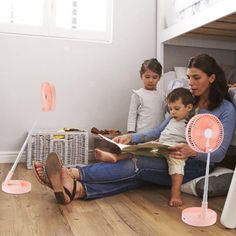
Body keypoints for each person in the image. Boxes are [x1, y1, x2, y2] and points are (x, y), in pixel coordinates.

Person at [33, 54, 236, 208]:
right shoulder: (187, 102)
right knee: (137, 176)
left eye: (196, 78)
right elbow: (158, 131)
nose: (190, 83)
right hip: (167, 153)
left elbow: (218, 154)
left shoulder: (225, 110)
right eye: (189, 77)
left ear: (211, 78)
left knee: (138, 165)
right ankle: (77, 190)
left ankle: (70, 173)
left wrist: (191, 151)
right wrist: (131, 137)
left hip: (195, 165)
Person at [95, 87, 194, 206]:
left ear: (188, 107)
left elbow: (196, 140)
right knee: (140, 150)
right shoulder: (171, 118)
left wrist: (190, 149)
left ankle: (175, 193)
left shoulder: (192, 122)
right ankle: (115, 157)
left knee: (177, 166)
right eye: (171, 109)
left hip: (176, 149)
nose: (173, 112)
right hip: (161, 144)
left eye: (177, 109)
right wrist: (134, 138)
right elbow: (157, 131)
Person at [127, 58, 166, 133]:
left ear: (159, 78)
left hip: (159, 135)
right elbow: (132, 116)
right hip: (142, 135)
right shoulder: (137, 95)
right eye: (147, 77)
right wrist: (131, 133)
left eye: (154, 77)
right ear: (141, 76)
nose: (151, 80)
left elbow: (168, 111)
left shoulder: (162, 95)